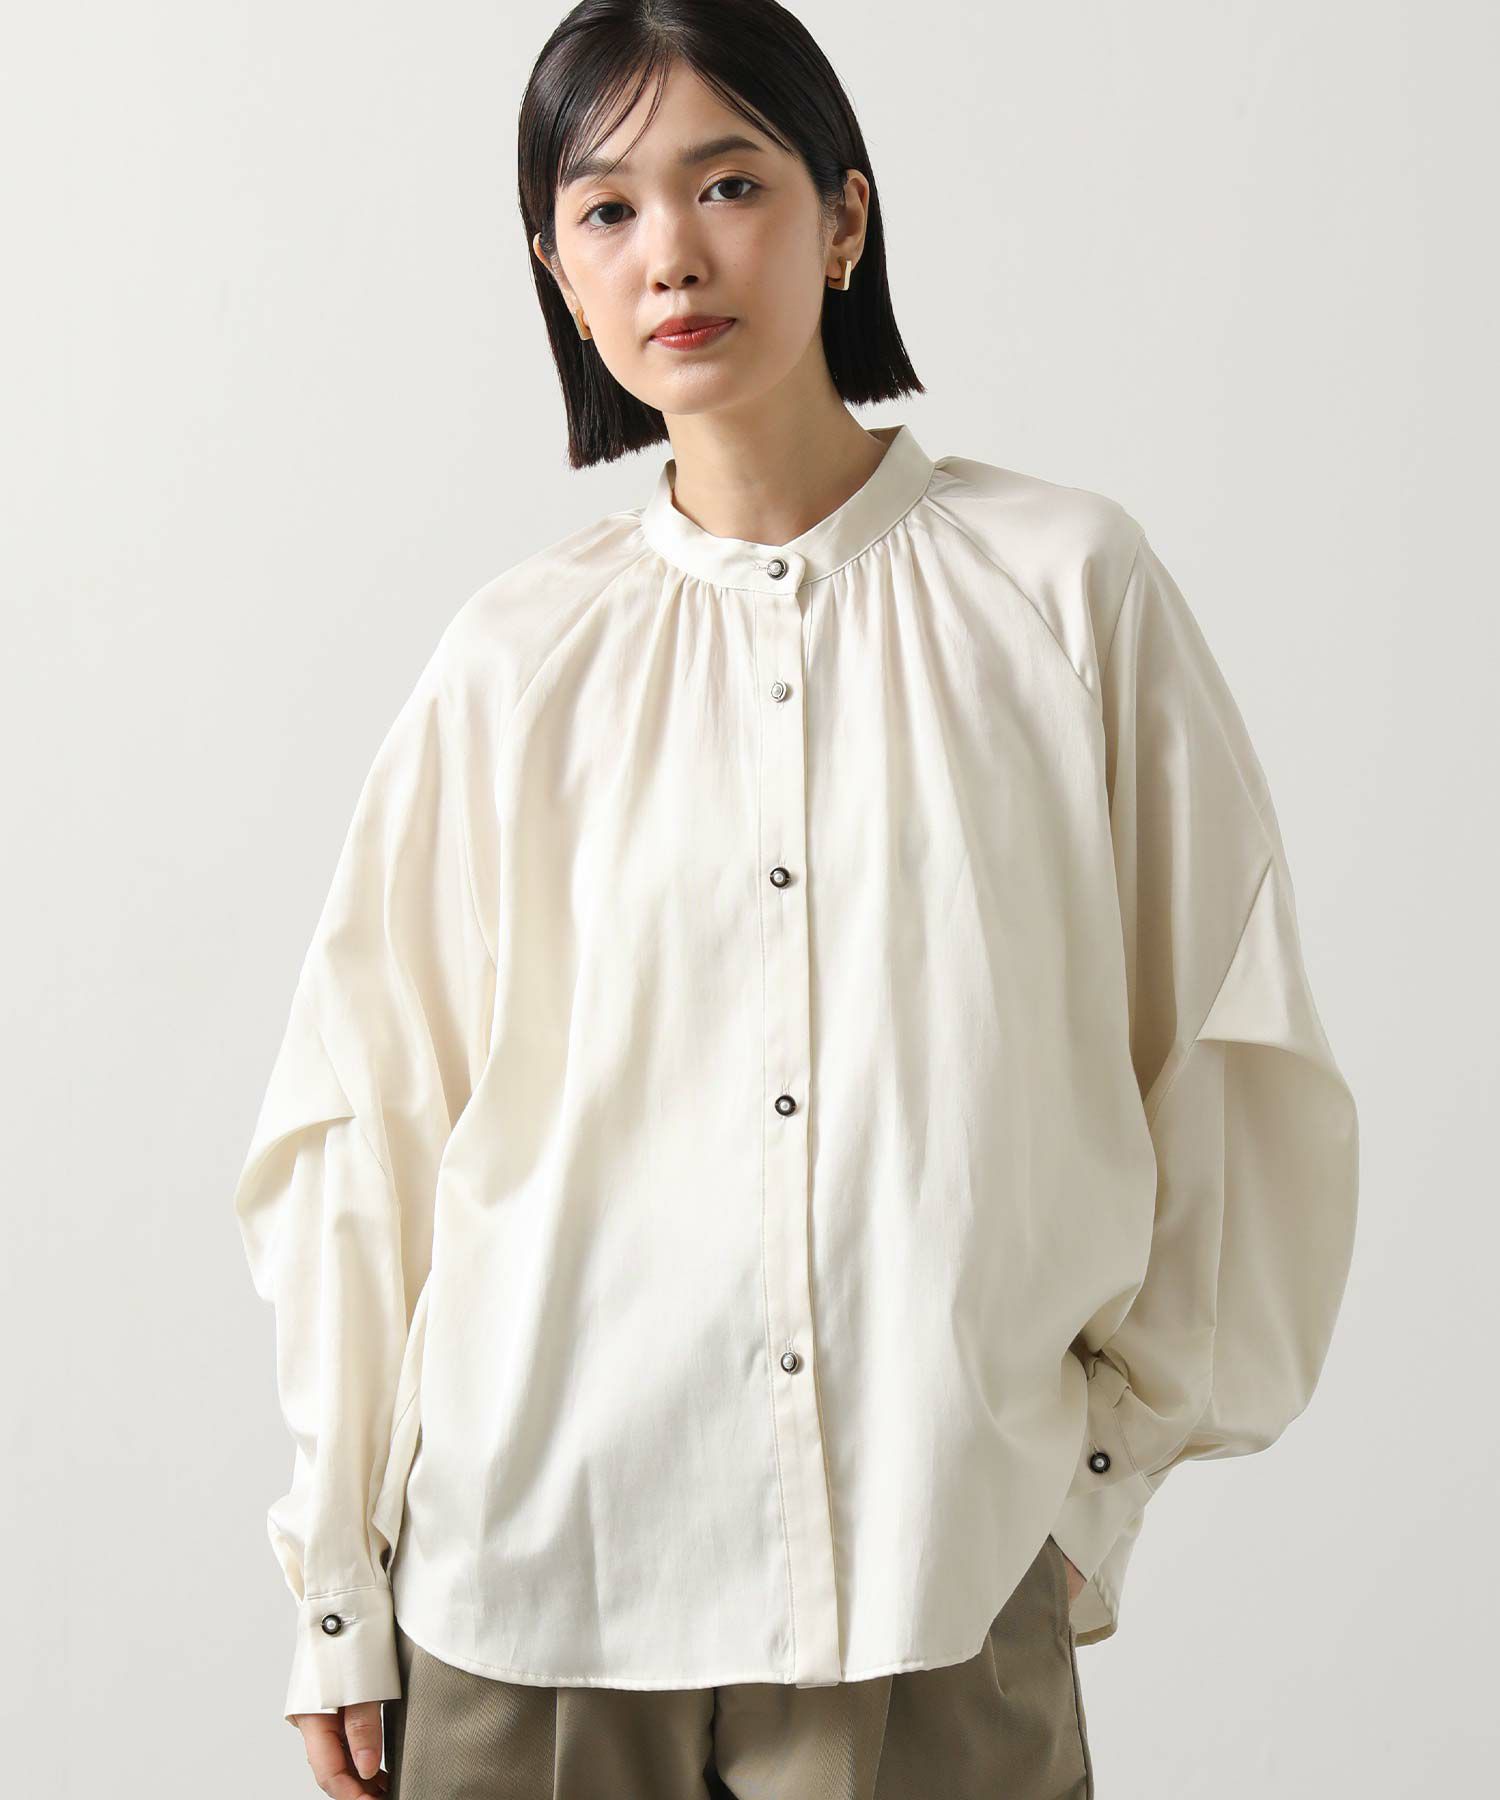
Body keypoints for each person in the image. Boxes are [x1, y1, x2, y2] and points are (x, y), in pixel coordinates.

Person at [231, 2, 1360, 1795]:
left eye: (730, 183)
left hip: (933, 1578)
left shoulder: (1067, 592)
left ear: (843, 216)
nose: (670, 253)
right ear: (560, 276)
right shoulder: (514, 659)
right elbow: (370, 1128)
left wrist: (1087, 1493)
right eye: (605, 211)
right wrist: (334, 1585)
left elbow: (1225, 1056)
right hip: (529, 1589)